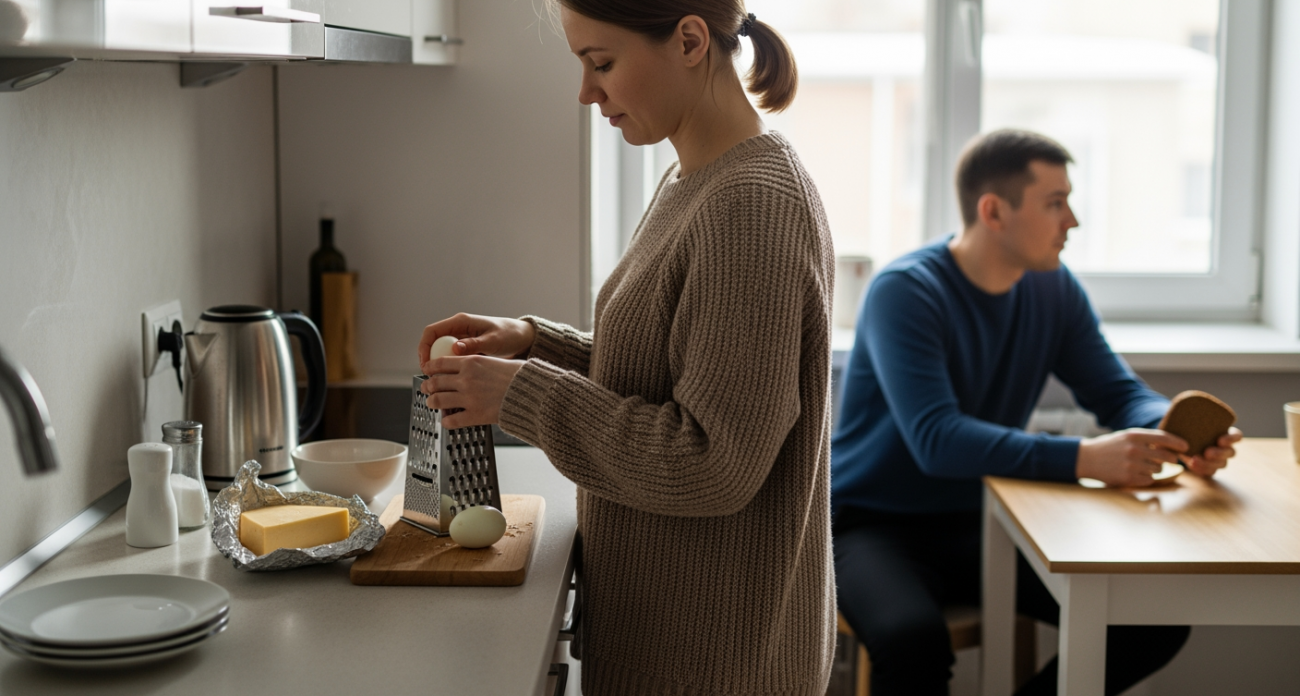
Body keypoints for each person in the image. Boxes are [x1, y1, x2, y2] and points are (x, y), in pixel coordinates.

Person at [416, 3, 837, 694]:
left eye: (601, 63)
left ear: (691, 40)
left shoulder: (751, 204)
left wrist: (523, 394)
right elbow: (667, 372)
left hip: (717, 668)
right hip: (676, 646)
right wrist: (534, 344)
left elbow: (713, 462)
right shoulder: (695, 179)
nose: (586, 92)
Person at [831, 129, 1243, 696]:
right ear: (994, 211)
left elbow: (1118, 392)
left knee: (1150, 620)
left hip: (990, 519)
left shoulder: (1053, 289)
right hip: (872, 525)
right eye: (1055, 203)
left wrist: (1171, 430)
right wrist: (1083, 458)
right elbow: (937, 439)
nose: (1071, 220)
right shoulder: (905, 292)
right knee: (912, 643)